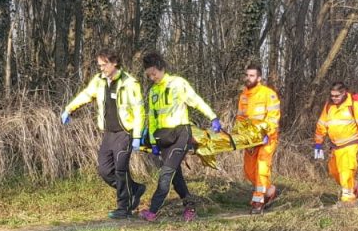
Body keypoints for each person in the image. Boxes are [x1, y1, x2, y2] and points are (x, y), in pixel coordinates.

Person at [61, 51, 145, 219]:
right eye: (99, 65)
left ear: (114, 63)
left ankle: (124, 207)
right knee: (104, 170)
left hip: (125, 132)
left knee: (121, 169)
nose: (101, 68)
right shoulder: (99, 81)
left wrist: (137, 136)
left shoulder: (130, 83)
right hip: (108, 133)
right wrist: (69, 109)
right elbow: (86, 94)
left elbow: (139, 110)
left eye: (103, 64)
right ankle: (135, 189)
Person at [139, 51, 220, 222]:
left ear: (161, 68)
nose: (152, 77)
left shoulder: (178, 83)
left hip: (180, 134)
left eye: (153, 73)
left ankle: (153, 211)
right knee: (176, 177)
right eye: (149, 75)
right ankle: (190, 207)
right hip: (163, 138)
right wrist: (153, 141)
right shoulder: (153, 91)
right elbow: (153, 118)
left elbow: (195, 100)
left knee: (166, 174)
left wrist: (212, 116)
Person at [313, 81, 358, 205]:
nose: (334, 98)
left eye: (336, 96)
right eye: (332, 96)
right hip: (335, 146)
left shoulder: (353, 105)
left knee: (346, 170)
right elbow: (321, 125)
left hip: (351, 144)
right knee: (334, 172)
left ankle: (348, 201)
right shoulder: (329, 106)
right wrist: (318, 143)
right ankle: (355, 186)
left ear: (344, 93)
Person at [236, 62, 281, 214]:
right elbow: (241, 119)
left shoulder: (269, 94)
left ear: (259, 77)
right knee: (249, 171)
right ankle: (269, 191)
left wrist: (267, 133)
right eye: (247, 75)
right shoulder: (243, 96)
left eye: (252, 75)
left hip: (267, 139)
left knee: (262, 168)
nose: (248, 78)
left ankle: (258, 201)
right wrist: (241, 136)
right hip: (250, 140)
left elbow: (274, 118)